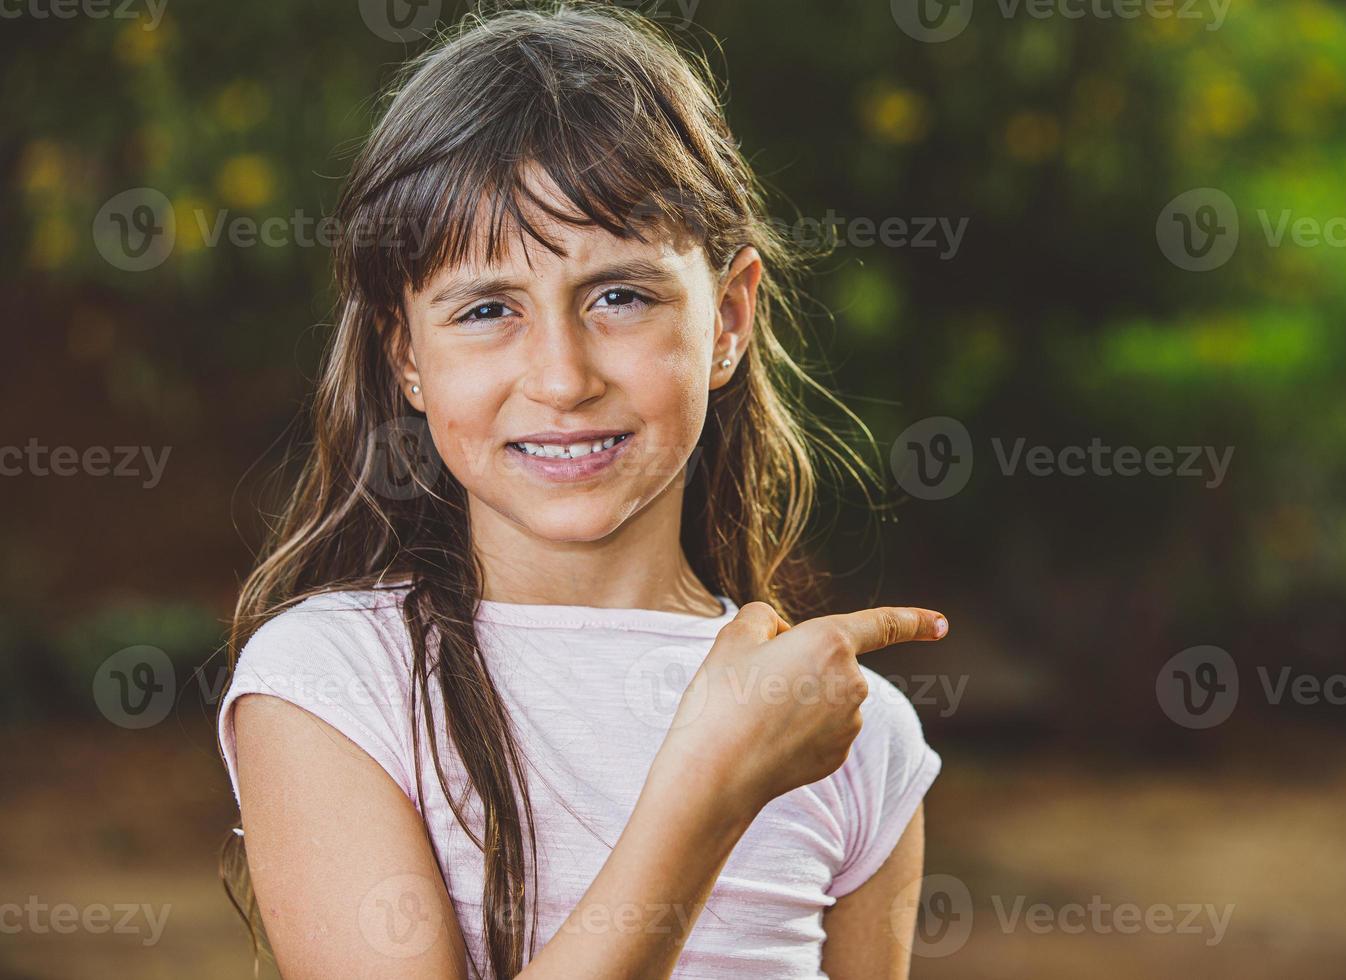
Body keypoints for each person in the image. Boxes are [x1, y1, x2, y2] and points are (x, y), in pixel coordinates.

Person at [215, 4, 947, 977]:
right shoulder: (330, 682)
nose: (560, 377)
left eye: (619, 296)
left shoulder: (850, 733)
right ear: (409, 356)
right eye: (486, 308)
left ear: (728, 318)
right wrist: (709, 788)